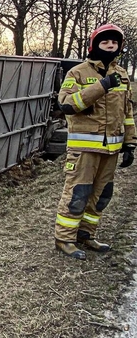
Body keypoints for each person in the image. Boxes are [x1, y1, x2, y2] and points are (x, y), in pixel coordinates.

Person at [54, 24, 136, 260]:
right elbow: (67, 104)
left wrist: (130, 143)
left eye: (114, 43)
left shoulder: (122, 75)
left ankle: (86, 235)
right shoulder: (77, 73)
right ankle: (64, 239)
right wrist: (102, 86)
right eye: (105, 42)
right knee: (78, 193)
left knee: (101, 194)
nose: (110, 46)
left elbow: (127, 111)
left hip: (111, 149)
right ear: (94, 45)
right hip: (84, 149)